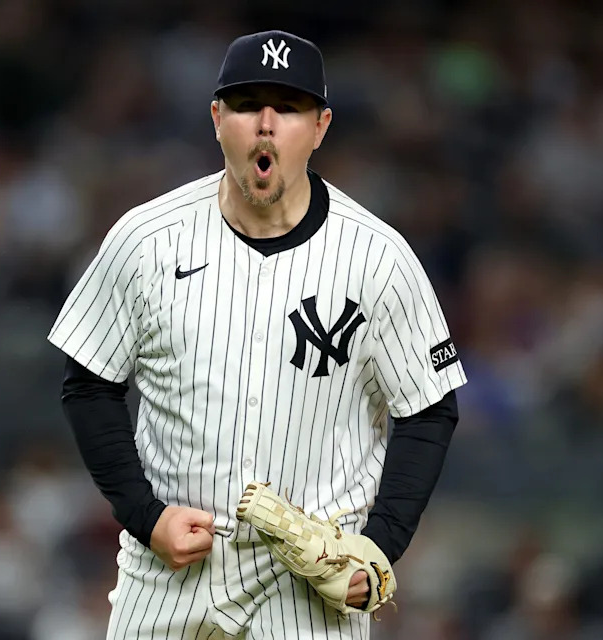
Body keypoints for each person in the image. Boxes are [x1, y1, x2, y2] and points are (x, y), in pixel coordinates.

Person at [49, 30, 466, 639]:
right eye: (247, 105)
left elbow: (430, 409)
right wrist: (145, 516)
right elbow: (88, 385)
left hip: (307, 587)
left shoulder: (378, 258)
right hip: (168, 577)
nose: (265, 125)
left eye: (288, 108)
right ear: (217, 119)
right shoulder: (146, 239)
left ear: (320, 127)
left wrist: (379, 546)